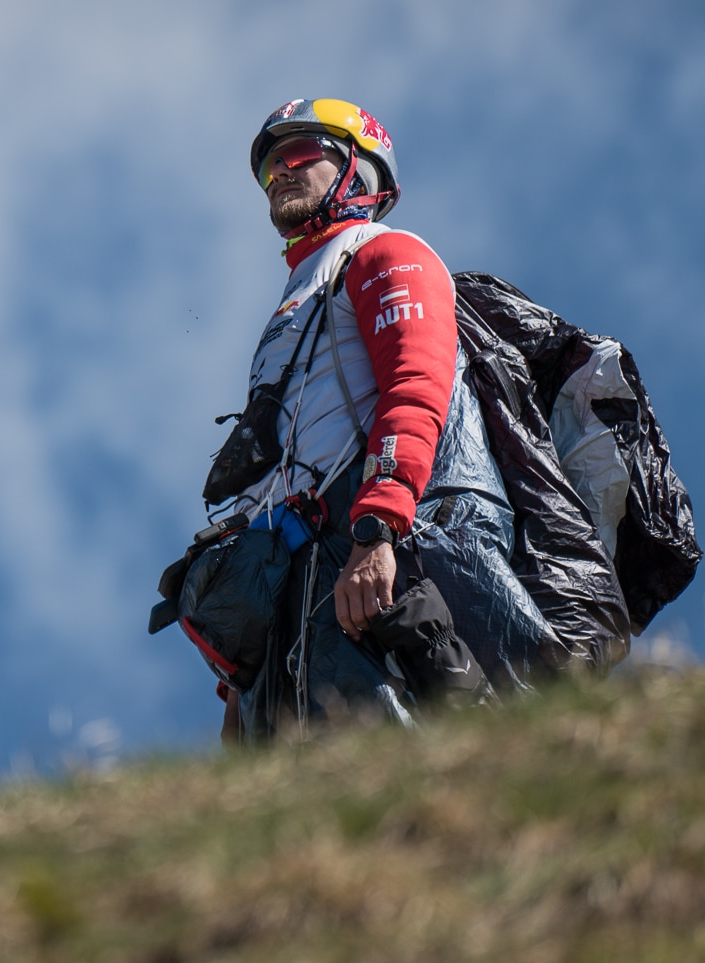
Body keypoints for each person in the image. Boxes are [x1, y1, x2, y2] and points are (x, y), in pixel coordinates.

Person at [179, 99, 530, 742]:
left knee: (394, 770)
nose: (279, 173)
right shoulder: (298, 297)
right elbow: (277, 466)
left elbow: (415, 385)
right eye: (268, 169)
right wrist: (237, 683)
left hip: (362, 558)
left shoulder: (384, 251)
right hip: (295, 589)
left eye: (298, 154)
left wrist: (377, 533)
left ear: (356, 171)